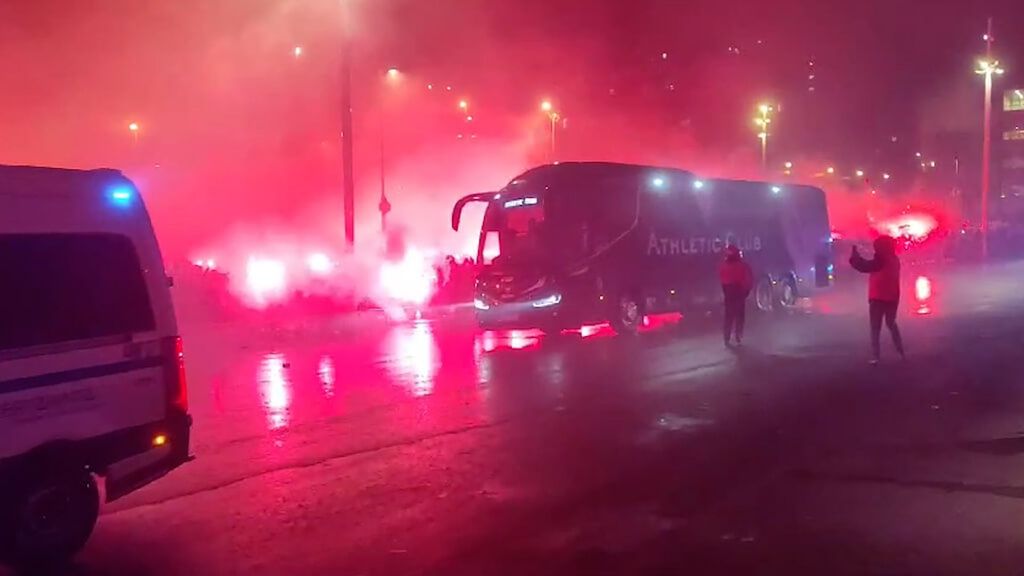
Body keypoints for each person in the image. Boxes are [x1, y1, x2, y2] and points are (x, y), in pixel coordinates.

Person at [850, 235, 905, 364]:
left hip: (878, 297)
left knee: (875, 327)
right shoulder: (894, 259)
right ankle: (901, 352)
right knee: (891, 323)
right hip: (892, 297)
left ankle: (876, 356)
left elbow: (864, 267)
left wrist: (854, 257)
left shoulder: (881, 260)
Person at [719, 245, 754, 346]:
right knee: (739, 315)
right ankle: (738, 335)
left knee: (728, 316)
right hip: (739, 291)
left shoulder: (724, 266)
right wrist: (746, 291)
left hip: (729, 292)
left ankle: (727, 337)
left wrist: (725, 291)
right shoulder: (742, 265)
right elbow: (747, 278)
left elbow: (722, 279)